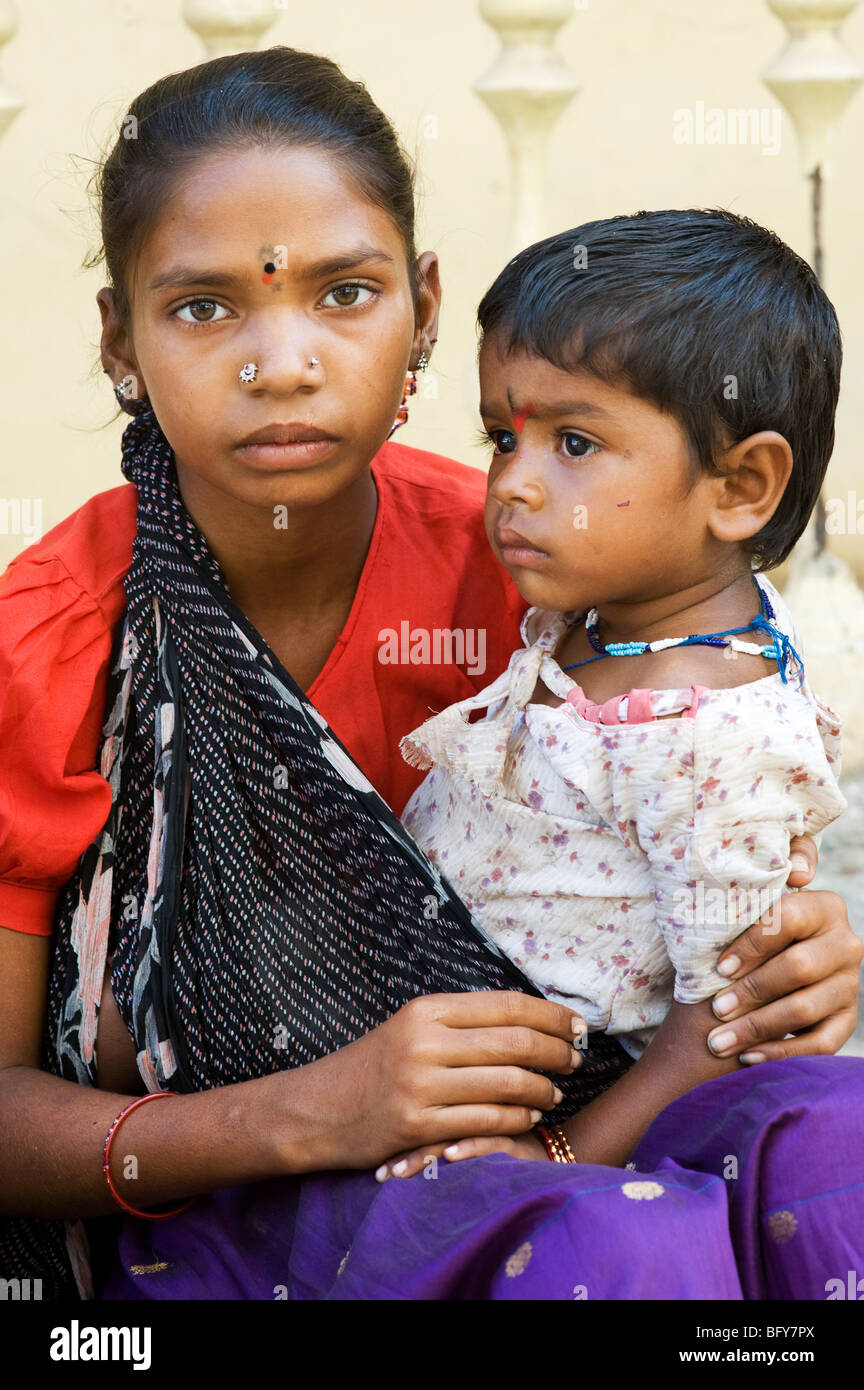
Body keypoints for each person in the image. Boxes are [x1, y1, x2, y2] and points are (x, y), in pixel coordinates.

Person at [0, 49, 859, 1303]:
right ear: (119, 340)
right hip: (233, 1222)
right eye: (203, 308)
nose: (280, 362)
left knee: (835, 1134)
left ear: (425, 305)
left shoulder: (543, 573)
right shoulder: (53, 644)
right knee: (625, 1244)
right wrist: (309, 1112)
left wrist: (772, 964)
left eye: (346, 294)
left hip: (574, 1137)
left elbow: (690, 809)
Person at [394, 208, 852, 1179]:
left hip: (572, 1127)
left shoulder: (714, 732)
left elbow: (723, 1024)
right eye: (501, 437)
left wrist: (545, 1164)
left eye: (572, 442)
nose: (511, 483)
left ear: (739, 486)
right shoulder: (612, 617)